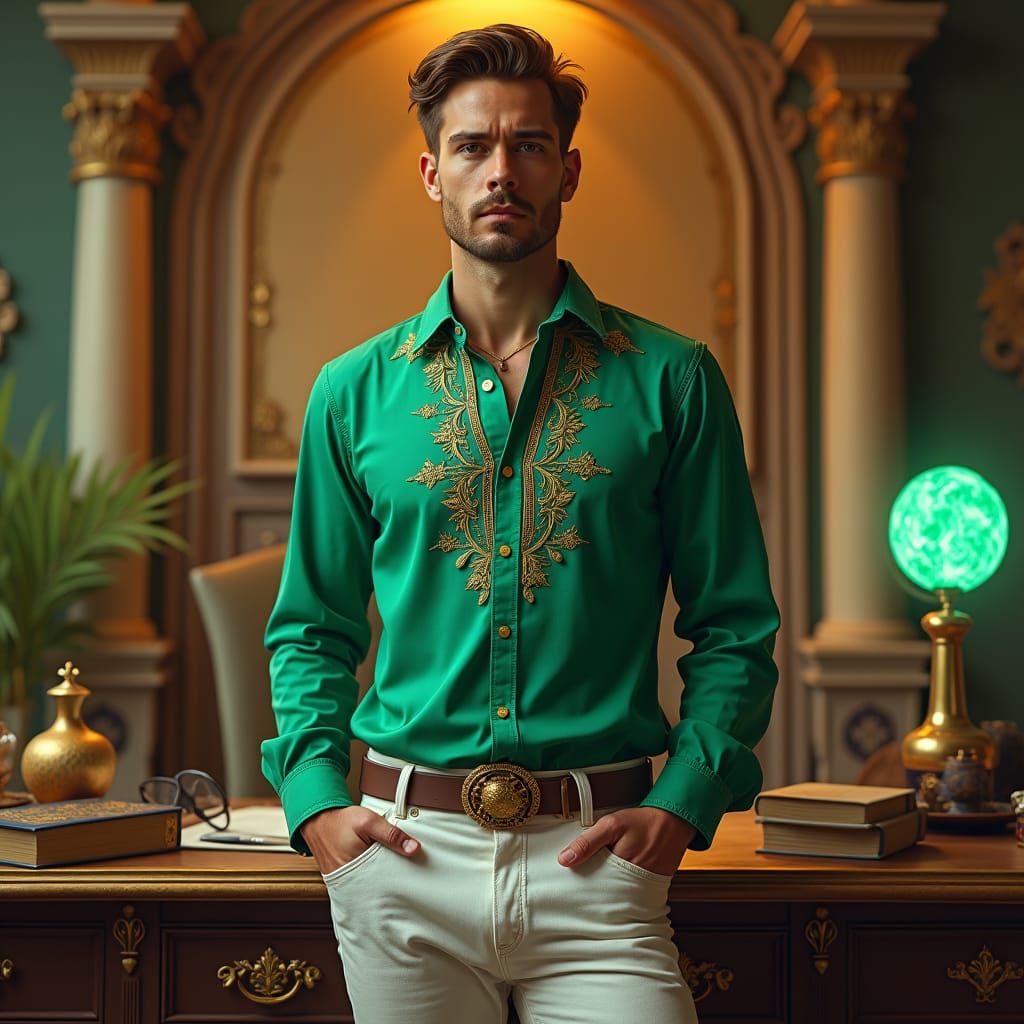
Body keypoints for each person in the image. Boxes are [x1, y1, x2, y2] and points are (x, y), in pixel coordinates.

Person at [262, 22, 779, 1024]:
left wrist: (686, 798)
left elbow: (735, 626)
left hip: (600, 868)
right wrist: (319, 804)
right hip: (404, 861)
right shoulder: (352, 393)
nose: (500, 171)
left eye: (528, 145)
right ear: (431, 172)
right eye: (472, 147)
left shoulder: (672, 380)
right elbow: (309, 628)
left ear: (568, 169)